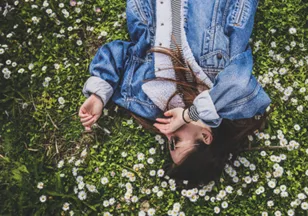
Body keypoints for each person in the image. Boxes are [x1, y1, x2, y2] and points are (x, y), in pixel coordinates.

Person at [79, 0, 272, 187]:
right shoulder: (225, 94)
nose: (168, 134)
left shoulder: (148, 99)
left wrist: (98, 95)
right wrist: (190, 115)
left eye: (168, 144)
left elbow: (119, 53)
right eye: (176, 142)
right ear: (206, 136)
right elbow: (239, 84)